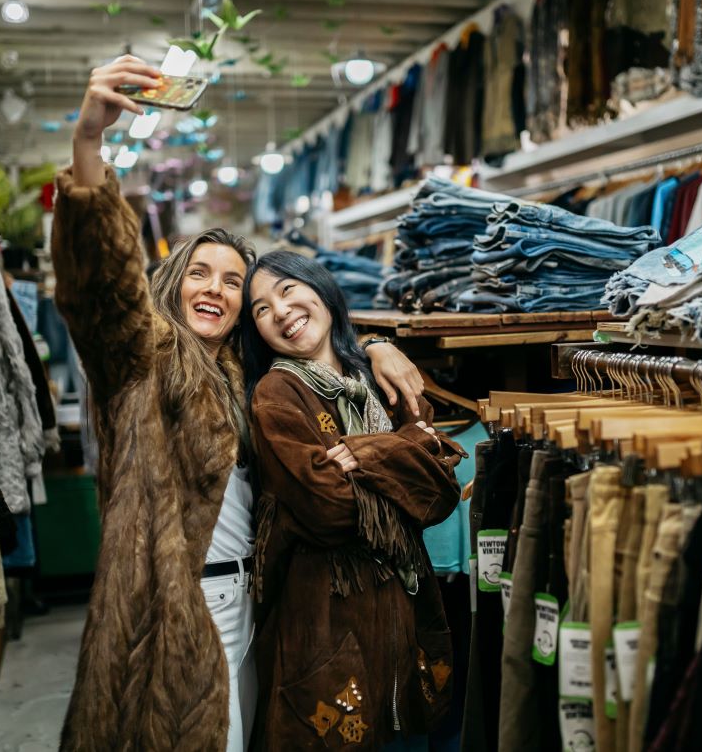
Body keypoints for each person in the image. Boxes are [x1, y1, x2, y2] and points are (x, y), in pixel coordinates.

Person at [52, 56, 426, 752]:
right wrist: (88, 146)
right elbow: (101, 289)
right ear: (171, 283)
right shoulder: (145, 360)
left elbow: (314, 342)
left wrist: (371, 344)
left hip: (256, 608)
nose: (218, 290)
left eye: (235, 284)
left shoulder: (248, 376)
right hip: (174, 614)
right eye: (201, 273)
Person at [242, 250, 466, 750]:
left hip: (408, 619)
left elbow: (438, 492)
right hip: (328, 627)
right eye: (260, 308)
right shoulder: (276, 396)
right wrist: (407, 453)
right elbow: (330, 509)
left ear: (321, 289)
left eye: (287, 290)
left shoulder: (379, 377)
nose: (280, 311)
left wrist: (360, 453)